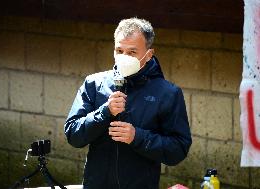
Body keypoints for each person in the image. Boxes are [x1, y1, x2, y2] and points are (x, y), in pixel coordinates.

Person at [64, 17, 192, 189]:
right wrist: (104, 112)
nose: (124, 57)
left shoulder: (168, 93)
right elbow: (73, 135)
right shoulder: (94, 84)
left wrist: (138, 137)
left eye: (132, 52)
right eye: (119, 50)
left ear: (148, 55)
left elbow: (178, 149)